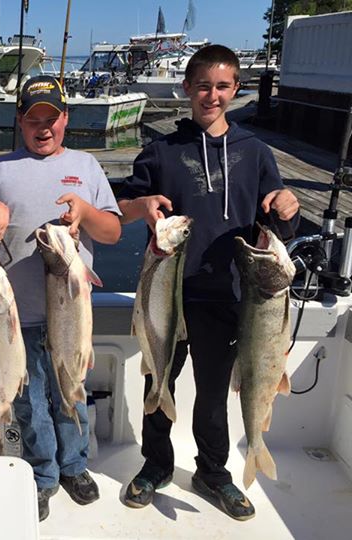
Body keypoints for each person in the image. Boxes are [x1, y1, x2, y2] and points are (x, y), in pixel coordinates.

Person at [117, 45, 300, 520]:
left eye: (222, 87)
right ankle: (156, 464)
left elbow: (276, 218)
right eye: (203, 86)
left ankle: (213, 471)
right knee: (160, 379)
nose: (212, 96)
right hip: (168, 291)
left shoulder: (255, 153)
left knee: (215, 390)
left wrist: (285, 204)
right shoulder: (162, 150)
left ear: (236, 89)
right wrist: (142, 206)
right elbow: (123, 208)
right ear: (187, 89)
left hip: (228, 296)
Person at [0, 75, 122, 521]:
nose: (43, 127)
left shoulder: (87, 166)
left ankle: (75, 466)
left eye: (51, 118)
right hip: (16, 315)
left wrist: (86, 213)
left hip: (70, 315)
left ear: (65, 119)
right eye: (33, 119)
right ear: (20, 121)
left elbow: (110, 233)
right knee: (30, 402)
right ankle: (42, 473)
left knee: (70, 389)